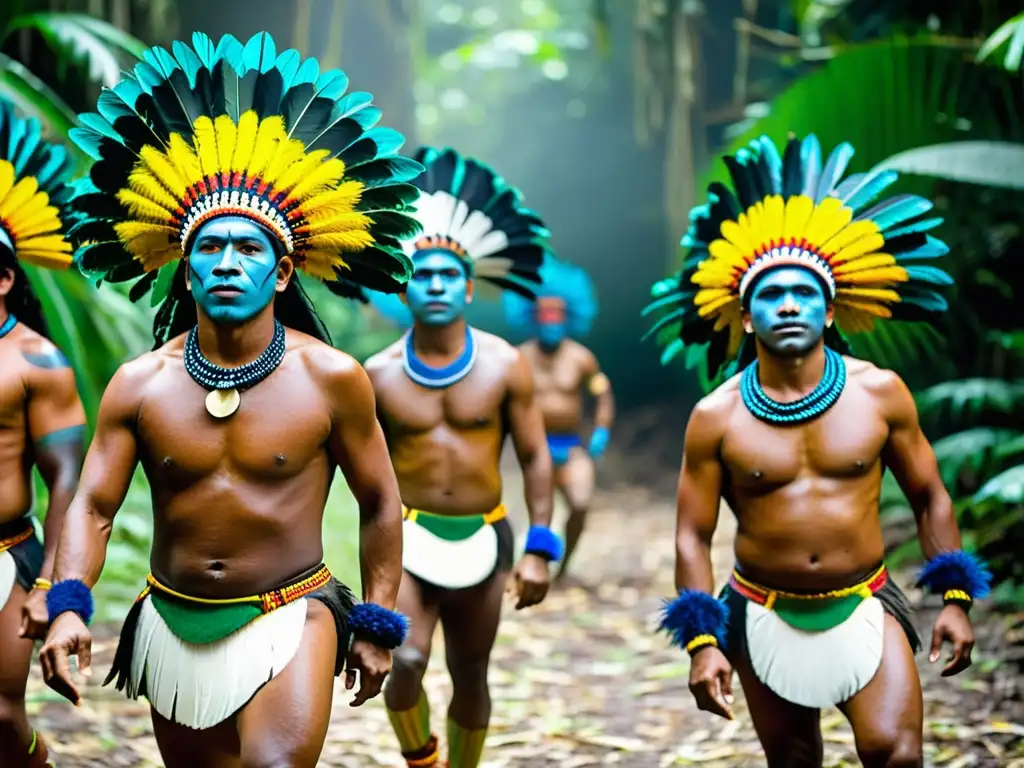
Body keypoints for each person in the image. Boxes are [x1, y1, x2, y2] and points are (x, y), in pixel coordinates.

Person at [36, 31, 422, 767]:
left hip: (291, 612)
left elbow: (379, 501)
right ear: (184, 272)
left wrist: (376, 619)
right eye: (209, 248)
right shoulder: (140, 383)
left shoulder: (332, 379)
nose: (227, 262)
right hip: (171, 622)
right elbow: (92, 506)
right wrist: (68, 604)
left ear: (281, 275)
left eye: (249, 249)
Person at [644, 133, 992, 768]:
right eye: (769, 296)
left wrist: (956, 601)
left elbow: (929, 495)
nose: (787, 305)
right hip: (759, 608)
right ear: (745, 318)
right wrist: (701, 640)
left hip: (865, 598)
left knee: (896, 755)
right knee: (795, 761)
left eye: (803, 293)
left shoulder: (881, 395)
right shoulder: (715, 416)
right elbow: (693, 536)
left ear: (830, 310)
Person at [363, 146, 560, 768]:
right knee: (408, 660)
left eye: (449, 275)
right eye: (423, 274)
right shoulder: (379, 374)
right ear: (405, 286)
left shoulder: (505, 364)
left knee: (471, 672)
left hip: (486, 534)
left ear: (470, 288)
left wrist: (539, 545)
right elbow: (360, 474)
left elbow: (534, 457)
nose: (437, 285)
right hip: (409, 538)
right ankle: (420, 756)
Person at [0, 97, 86, 768]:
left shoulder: (37, 361)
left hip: (9, 556)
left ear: (4, 278)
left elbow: (67, 479)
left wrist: (48, 589)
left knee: (0, 715)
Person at [503, 254, 614, 580]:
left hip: (570, 447)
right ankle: (534, 564)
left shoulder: (582, 358)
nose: (551, 320)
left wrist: (601, 431)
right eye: (545, 313)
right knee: (540, 513)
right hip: (532, 448)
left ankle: (564, 568)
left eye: (557, 314)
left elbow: (602, 394)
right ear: (533, 316)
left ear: (568, 316)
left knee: (580, 504)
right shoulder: (518, 358)